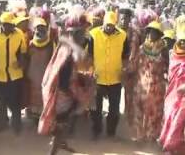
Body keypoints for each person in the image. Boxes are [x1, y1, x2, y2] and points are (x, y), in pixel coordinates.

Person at [38, 12, 93, 155]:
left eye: (83, 33)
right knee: (63, 122)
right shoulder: (68, 52)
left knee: (64, 122)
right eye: (80, 34)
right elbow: (64, 79)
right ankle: (54, 151)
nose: (82, 37)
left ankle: (62, 142)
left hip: (58, 90)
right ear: (72, 34)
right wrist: (78, 93)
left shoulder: (64, 47)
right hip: (62, 94)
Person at [89, 11, 129, 140]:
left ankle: (111, 131)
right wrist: (90, 71)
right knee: (95, 108)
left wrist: (124, 70)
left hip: (115, 79)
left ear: (115, 24)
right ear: (103, 24)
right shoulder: (93, 34)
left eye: (111, 25)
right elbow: (88, 56)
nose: (109, 27)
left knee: (114, 109)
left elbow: (126, 56)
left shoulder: (123, 36)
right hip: (97, 78)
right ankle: (96, 129)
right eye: (107, 25)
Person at [0, 12, 27, 134]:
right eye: (6, 25)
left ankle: (16, 125)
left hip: (15, 74)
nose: (9, 27)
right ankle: (2, 124)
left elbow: (23, 52)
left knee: (15, 101)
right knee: (0, 102)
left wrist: (20, 62)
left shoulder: (19, 34)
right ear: (1, 24)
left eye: (11, 25)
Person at [133, 21, 169, 143]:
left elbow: (167, 66)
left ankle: (152, 135)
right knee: (140, 110)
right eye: (150, 32)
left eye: (155, 32)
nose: (151, 34)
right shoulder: (142, 48)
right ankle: (140, 135)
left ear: (159, 34)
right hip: (142, 84)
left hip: (157, 86)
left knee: (154, 112)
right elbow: (136, 64)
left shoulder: (164, 50)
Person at [159, 33, 185, 154]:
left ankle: (171, 146)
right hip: (172, 94)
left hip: (183, 97)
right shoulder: (172, 54)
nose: (183, 44)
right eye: (181, 41)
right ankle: (167, 143)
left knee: (178, 121)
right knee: (169, 117)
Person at [27, 18, 54, 124]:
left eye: (42, 28)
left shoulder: (51, 44)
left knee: (45, 97)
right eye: (38, 28)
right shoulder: (30, 44)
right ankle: (35, 118)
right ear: (34, 30)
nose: (40, 30)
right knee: (34, 98)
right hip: (33, 75)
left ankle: (44, 119)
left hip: (46, 75)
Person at [118, 8, 141, 126]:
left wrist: (131, 67)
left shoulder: (134, 33)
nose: (122, 20)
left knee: (129, 91)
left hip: (129, 63)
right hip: (116, 63)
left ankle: (129, 115)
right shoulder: (115, 31)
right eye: (121, 18)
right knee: (115, 90)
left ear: (129, 19)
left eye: (125, 18)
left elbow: (135, 50)